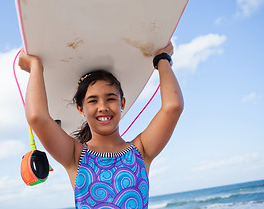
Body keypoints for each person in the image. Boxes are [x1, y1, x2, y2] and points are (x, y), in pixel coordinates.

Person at [18, 41, 183, 208]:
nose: (103, 107)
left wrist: (162, 59)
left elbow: (173, 107)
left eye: (111, 98)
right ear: (81, 109)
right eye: (93, 101)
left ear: (122, 103)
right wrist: (35, 66)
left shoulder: (142, 150)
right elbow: (37, 117)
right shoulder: (75, 156)